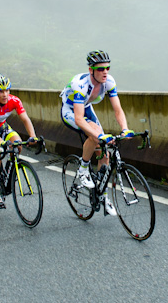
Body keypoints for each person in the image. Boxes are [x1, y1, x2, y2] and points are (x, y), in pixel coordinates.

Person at [59, 50, 134, 216]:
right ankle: (83, 168)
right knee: (94, 135)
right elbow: (79, 119)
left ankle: (103, 196)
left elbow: (118, 109)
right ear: (91, 69)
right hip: (71, 111)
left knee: (105, 154)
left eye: (107, 68)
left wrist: (125, 128)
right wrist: (98, 134)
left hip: (86, 107)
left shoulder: (109, 82)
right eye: (101, 69)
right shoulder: (81, 84)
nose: (105, 71)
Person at [0, 74, 40, 209]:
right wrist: (0, 142)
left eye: (7, 90)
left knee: (18, 145)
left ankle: (11, 168)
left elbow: (25, 119)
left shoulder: (14, 100)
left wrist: (33, 136)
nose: (5, 94)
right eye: (0, 91)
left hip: (3, 126)